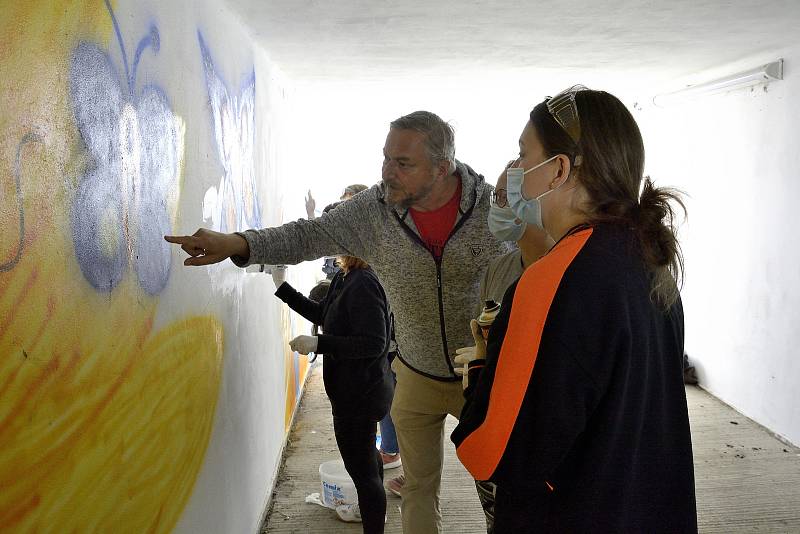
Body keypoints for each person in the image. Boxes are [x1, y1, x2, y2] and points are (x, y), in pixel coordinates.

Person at [165, 110, 509, 534]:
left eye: (403, 164)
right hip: (415, 375)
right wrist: (239, 242)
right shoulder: (376, 211)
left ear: (443, 168)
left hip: (479, 376)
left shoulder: (494, 213)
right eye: (385, 159)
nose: (387, 173)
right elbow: (309, 235)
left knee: (499, 490)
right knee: (418, 489)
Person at [451, 86, 697, 532]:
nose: (517, 171)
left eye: (524, 155)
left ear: (558, 170)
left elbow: (488, 452)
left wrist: (482, 373)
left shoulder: (552, 279)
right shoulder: (649, 257)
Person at [453, 163, 553, 533]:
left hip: (533, 439)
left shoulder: (569, 272)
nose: (496, 206)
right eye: (494, 196)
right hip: (495, 419)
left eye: (503, 195)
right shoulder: (500, 269)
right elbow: (487, 329)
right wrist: (483, 356)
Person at [277, 254, 392, 532]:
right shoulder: (346, 276)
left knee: (362, 472)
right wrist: (281, 286)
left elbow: (373, 343)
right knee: (367, 458)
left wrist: (319, 342)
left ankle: (373, 520)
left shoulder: (363, 282)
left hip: (359, 394)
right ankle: (373, 514)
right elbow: (321, 313)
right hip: (355, 390)